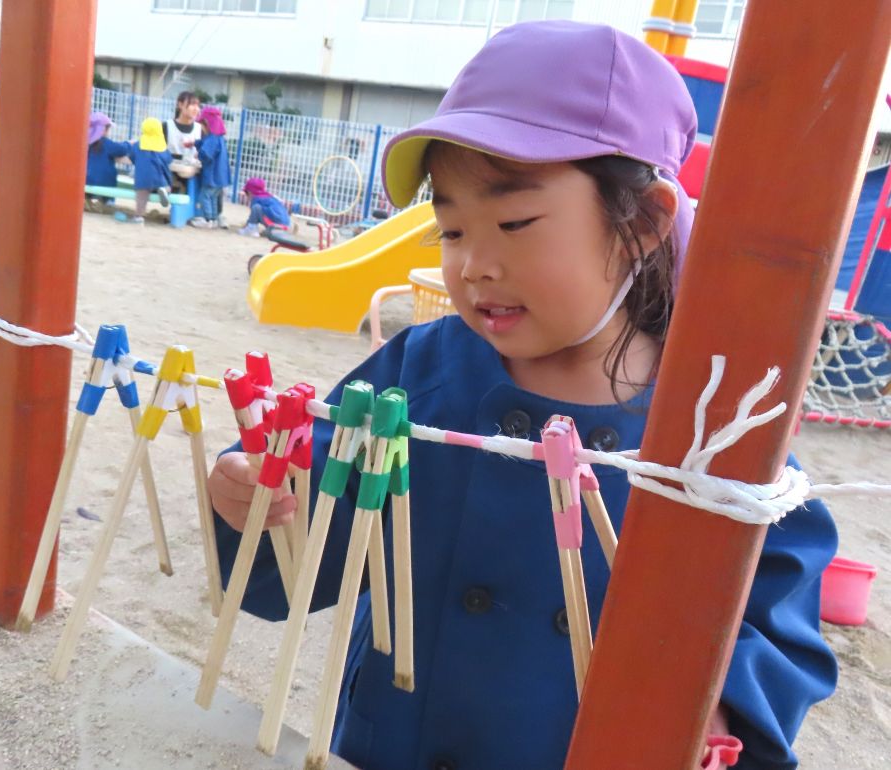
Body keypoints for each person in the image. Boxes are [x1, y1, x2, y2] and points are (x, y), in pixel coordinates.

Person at [208, 21, 837, 770]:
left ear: (644, 222)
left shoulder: (714, 423)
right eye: (449, 230)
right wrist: (260, 498)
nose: (474, 264)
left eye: (514, 222)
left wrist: (720, 704)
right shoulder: (420, 370)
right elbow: (313, 537)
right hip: (396, 745)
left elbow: (779, 623)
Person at [190, 105, 231, 229]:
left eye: (202, 126)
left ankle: (207, 219)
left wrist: (198, 154)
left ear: (207, 123)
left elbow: (206, 154)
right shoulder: (218, 138)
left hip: (213, 176)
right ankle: (213, 220)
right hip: (221, 177)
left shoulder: (212, 138)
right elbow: (205, 143)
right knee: (212, 198)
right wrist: (195, 143)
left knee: (204, 196)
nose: (202, 129)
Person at [126, 118, 172, 225]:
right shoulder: (162, 146)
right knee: (165, 184)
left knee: (141, 197)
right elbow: (168, 159)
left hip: (143, 179)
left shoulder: (138, 144)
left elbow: (132, 157)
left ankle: (139, 217)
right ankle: (165, 189)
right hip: (160, 178)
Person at [85, 112, 131, 210]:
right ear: (102, 130)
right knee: (109, 174)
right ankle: (108, 201)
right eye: (108, 129)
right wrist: (128, 144)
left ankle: (87, 199)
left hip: (86, 180)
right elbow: (121, 150)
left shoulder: (84, 143)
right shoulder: (105, 143)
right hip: (105, 183)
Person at [163, 90, 203, 188]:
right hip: (170, 172)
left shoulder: (200, 129)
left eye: (198, 106)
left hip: (193, 173)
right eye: (192, 105)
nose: (196, 109)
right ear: (180, 105)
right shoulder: (166, 126)